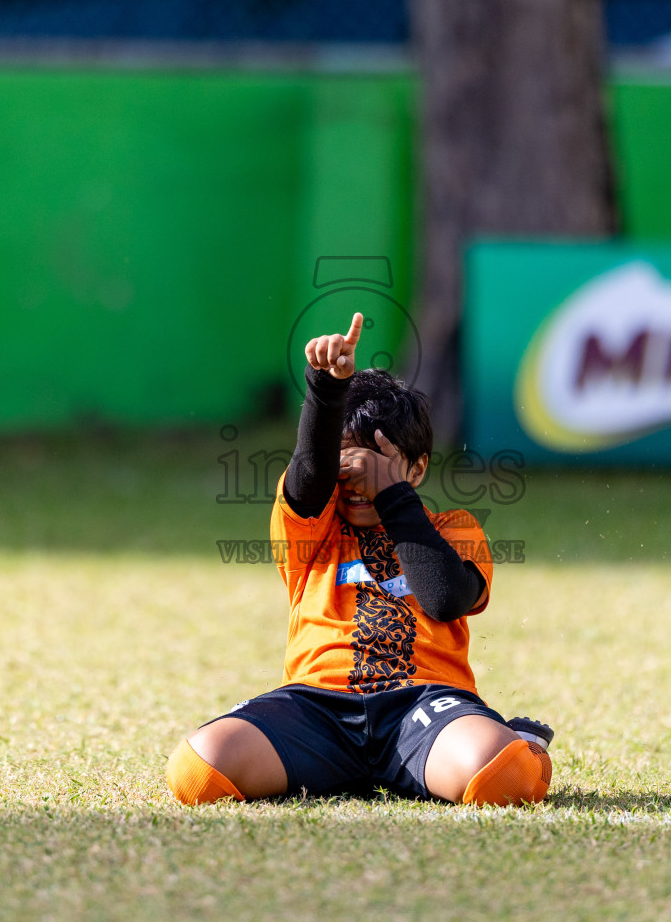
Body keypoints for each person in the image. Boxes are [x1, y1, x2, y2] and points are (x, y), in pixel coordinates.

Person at [166, 312, 553, 806]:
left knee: (503, 779)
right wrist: (326, 389)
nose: (359, 481)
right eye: (349, 464)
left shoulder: (453, 528)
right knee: (198, 772)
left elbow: (444, 599)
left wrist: (391, 493)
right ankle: (334, 767)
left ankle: (525, 743)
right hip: (315, 708)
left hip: (422, 704)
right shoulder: (312, 526)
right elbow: (309, 473)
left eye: (379, 465)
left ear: (416, 469)